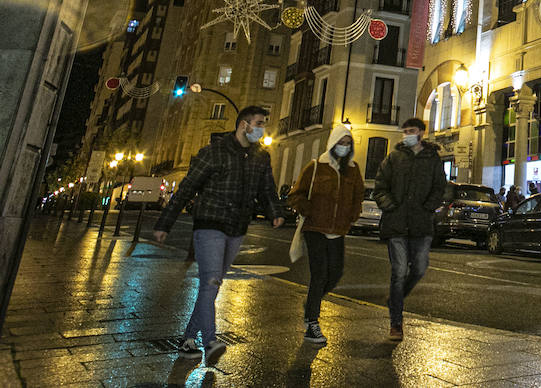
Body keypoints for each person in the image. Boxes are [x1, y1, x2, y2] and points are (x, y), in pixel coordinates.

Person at [153, 106, 284, 365]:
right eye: (258, 123)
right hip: (210, 224)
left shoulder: (261, 157)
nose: (262, 129)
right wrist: (164, 223)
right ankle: (210, 341)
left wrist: (275, 212)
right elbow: (187, 188)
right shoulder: (213, 153)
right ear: (243, 125)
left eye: (264, 124)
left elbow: (266, 189)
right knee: (210, 282)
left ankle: (188, 338)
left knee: (211, 287)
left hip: (237, 228)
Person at [288, 123, 364, 347]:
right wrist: (308, 209)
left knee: (336, 273)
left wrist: (353, 214)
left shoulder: (353, 169)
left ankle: (312, 303)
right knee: (319, 274)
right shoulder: (316, 166)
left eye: (348, 143)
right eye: (341, 142)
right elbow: (297, 193)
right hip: (315, 228)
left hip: (338, 230)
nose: (344, 146)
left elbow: (358, 195)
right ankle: (312, 322)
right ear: (332, 143)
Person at [373, 118, 447, 342]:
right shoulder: (394, 157)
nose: (407, 134)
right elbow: (380, 188)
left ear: (422, 133)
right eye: (405, 131)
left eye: (411, 131)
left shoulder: (432, 159)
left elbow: (440, 187)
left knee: (420, 268)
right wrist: (391, 207)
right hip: (396, 225)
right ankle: (396, 322)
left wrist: (427, 208)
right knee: (398, 273)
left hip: (421, 224)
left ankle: (395, 299)